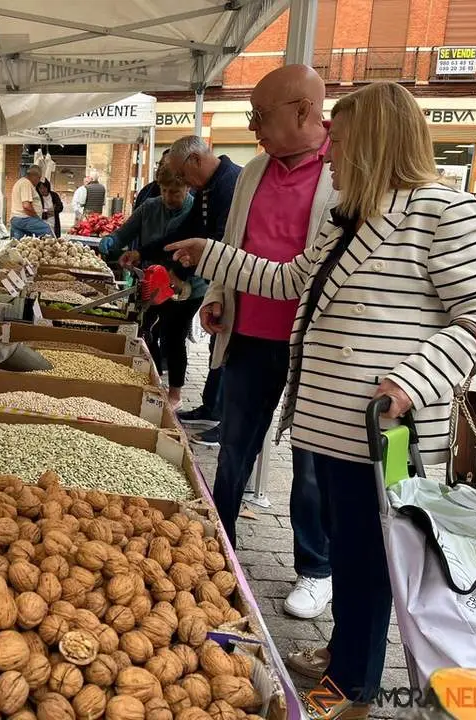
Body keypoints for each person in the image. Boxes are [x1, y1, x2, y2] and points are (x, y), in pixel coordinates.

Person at [169, 79, 476, 720]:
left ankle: (352, 688)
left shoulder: (441, 212)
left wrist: (415, 376)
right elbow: (292, 281)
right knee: (351, 550)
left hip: (386, 432)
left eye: (342, 141)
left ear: (376, 142)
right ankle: (345, 655)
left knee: (374, 559)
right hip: (327, 422)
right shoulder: (345, 216)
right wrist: (214, 255)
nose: (334, 154)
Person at [195, 66, 340, 621]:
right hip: (251, 335)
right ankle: (220, 538)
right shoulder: (254, 171)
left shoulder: (343, 171)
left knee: (309, 463)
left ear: (303, 111)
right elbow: (235, 244)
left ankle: (316, 568)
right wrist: (219, 293)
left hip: (314, 346)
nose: (253, 127)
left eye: (261, 115)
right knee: (234, 446)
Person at [131, 137, 241, 431]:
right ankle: (211, 408)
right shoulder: (208, 189)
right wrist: (146, 251)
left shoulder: (229, 186)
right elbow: (186, 232)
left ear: (194, 160)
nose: (182, 182)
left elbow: (218, 243)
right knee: (219, 347)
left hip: (237, 283)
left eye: (181, 175)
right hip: (220, 282)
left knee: (229, 351)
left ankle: (222, 417)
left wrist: (181, 273)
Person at [99, 165, 193, 404]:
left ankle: (175, 394)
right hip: (150, 279)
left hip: (186, 284)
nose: (169, 197)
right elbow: (126, 232)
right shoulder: (150, 207)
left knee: (173, 335)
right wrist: (112, 241)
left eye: (176, 192)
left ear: (187, 188)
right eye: (164, 191)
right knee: (143, 328)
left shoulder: (195, 211)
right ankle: (151, 378)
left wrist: (181, 280)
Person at [10, 166, 53, 238]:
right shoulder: (26, 183)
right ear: (34, 176)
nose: (38, 181)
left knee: (20, 244)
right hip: (24, 218)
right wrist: (37, 218)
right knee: (47, 230)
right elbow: (26, 206)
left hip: (17, 218)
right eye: (39, 178)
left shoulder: (20, 182)